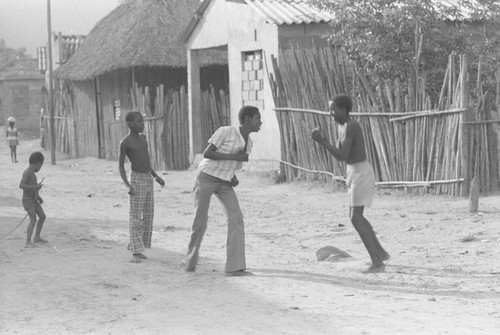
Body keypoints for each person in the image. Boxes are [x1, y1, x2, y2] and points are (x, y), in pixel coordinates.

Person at [311, 94, 389, 273]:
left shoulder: (352, 126)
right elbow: (342, 154)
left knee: (356, 217)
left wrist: (322, 141)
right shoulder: (341, 126)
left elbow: (342, 155)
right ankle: (380, 253)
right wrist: (324, 139)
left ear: (344, 109)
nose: (330, 113)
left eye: (333, 109)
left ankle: (377, 262)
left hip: (361, 172)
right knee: (355, 216)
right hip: (353, 172)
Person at [185, 105, 262, 276]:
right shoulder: (225, 131)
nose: (261, 122)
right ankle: (190, 259)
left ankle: (234, 267)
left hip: (224, 182)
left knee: (236, 219)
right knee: (200, 221)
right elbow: (207, 153)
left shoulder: (248, 143)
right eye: (258, 118)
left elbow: (234, 165)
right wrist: (234, 157)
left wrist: (233, 177)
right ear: (247, 119)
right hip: (205, 177)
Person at [119, 111, 165, 263]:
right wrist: (127, 185)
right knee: (135, 216)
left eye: (143, 121)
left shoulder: (143, 139)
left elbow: (146, 162)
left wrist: (155, 176)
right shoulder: (125, 143)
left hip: (147, 178)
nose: (142, 124)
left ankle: (137, 245)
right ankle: (135, 252)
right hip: (136, 180)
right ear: (129, 124)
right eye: (139, 121)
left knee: (148, 213)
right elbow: (120, 167)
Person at [19, 151, 47, 248]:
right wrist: (35, 187)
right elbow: (21, 185)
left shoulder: (33, 174)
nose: (40, 168)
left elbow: (33, 187)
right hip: (27, 200)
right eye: (41, 165)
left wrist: (39, 197)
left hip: (34, 200)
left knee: (42, 217)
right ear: (38, 163)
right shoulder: (27, 172)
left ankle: (37, 237)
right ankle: (28, 242)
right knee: (33, 219)